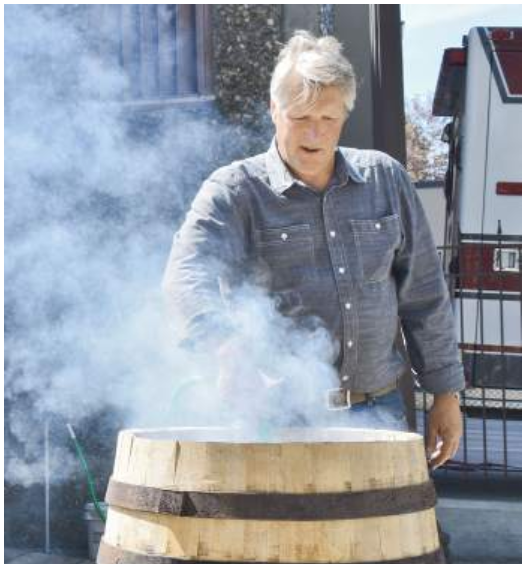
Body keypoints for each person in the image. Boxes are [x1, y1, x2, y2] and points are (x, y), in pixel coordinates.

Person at [163, 31, 464, 467]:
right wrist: (225, 348)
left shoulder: (386, 179)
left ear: (344, 114)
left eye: (328, 118)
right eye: (300, 116)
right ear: (273, 110)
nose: (314, 133)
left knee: (387, 535)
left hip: (378, 414)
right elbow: (185, 278)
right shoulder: (234, 191)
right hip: (279, 422)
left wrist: (445, 392)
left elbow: (424, 296)